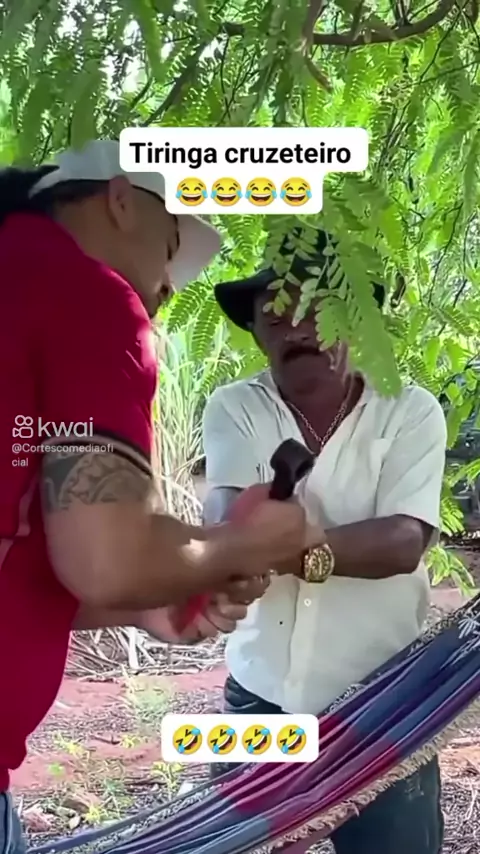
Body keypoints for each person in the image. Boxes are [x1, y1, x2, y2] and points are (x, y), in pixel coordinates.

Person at [0, 141, 311, 854]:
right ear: (119, 200)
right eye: (170, 248)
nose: (169, 287)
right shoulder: (84, 292)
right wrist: (248, 542)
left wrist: (149, 599)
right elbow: (108, 560)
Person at [202, 229, 447, 854]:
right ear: (256, 334)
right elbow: (227, 515)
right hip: (261, 698)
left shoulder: (411, 412)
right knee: (238, 845)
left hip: (385, 704)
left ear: (352, 319)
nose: (295, 329)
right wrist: (229, 546)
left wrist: (273, 549)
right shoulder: (236, 407)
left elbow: (403, 541)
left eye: (314, 308)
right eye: (274, 317)